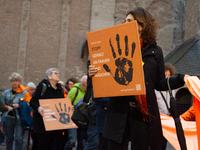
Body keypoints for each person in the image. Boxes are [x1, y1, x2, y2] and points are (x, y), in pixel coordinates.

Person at [89, 7, 189, 150]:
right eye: (124, 21)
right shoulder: (116, 48)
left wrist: (181, 79)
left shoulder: (155, 51)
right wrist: (94, 73)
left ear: (141, 25)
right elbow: (106, 77)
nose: (125, 23)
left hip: (142, 114)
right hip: (118, 111)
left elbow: (159, 83)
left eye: (129, 21)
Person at [30, 68, 64, 150]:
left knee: (51, 145)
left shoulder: (60, 89)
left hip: (54, 124)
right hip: (41, 123)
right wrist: (38, 108)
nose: (58, 75)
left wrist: (69, 108)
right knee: (43, 145)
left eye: (58, 73)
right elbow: (33, 101)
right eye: (56, 73)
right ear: (49, 76)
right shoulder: (42, 86)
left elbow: (61, 104)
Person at [3, 72, 31, 150]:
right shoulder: (6, 92)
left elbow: (28, 105)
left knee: (19, 138)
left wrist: (19, 105)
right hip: (9, 116)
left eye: (17, 81)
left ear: (19, 81)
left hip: (20, 117)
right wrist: (7, 107)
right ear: (11, 82)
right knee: (9, 138)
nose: (15, 82)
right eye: (13, 81)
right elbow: (2, 105)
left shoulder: (25, 93)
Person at [155, 63, 177, 149]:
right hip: (158, 118)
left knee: (164, 143)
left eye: (169, 75)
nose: (167, 77)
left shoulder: (172, 88)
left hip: (167, 118)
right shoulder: (156, 88)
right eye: (165, 75)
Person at [64, 75, 87, 150]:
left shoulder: (88, 92)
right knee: (72, 141)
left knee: (82, 142)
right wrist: (71, 107)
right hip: (72, 119)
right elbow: (66, 103)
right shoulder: (74, 90)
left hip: (83, 120)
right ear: (84, 83)